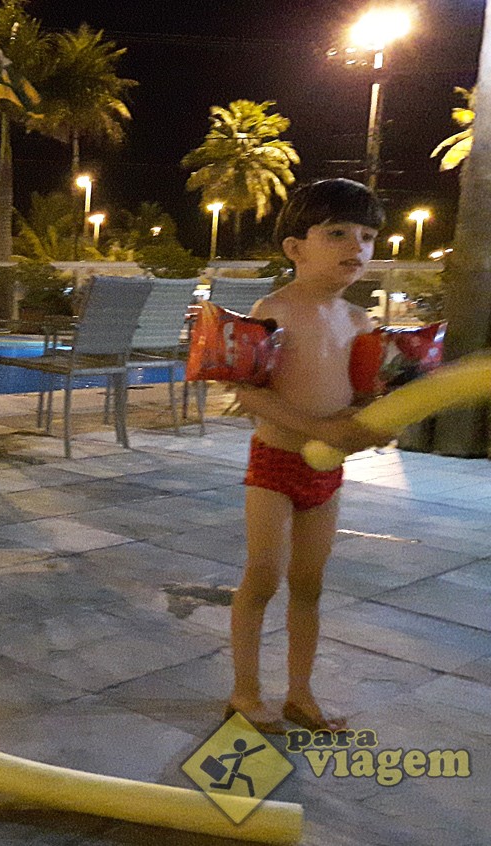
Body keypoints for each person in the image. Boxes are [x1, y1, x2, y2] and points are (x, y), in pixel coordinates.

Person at [226, 178, 390, 733]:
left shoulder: (359, 321)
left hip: (327, 474)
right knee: (263, 577)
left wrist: (372, 422)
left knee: (310, 583)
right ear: (296, 248)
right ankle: (245, 691)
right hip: (274, 464)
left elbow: (364, 398)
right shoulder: (273, 310)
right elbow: (250, 394)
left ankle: (300, 693)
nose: (357, 247)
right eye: (338, 233)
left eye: (367, 237)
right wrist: (318, 426)